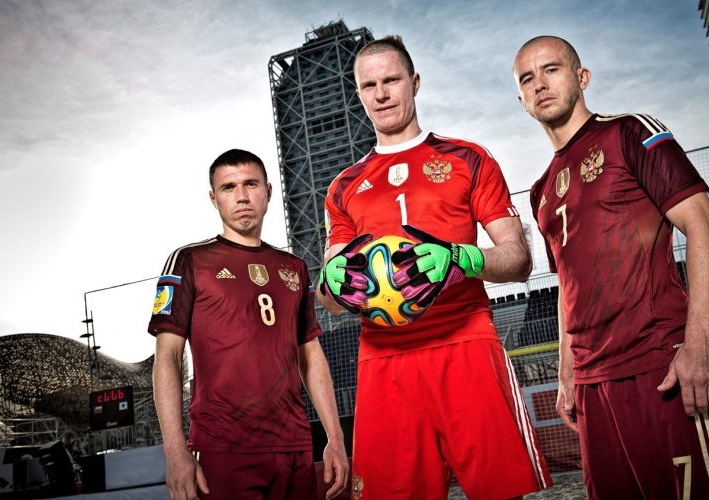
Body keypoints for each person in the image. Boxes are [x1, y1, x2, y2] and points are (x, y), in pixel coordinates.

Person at [513, 35, 709, 499]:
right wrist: (568, 375)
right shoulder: (542, 189)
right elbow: (568, 285)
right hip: (591, 388)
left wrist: (701, 341)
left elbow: (705, 226)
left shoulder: (630, 133)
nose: (539, 83)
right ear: (521, 100)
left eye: (552, 69)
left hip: (658, 367)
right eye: (527, 78)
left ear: (582, 78)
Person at [317, 35, 551, 499]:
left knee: (500, 494)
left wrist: (459, 258)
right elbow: (332, 302)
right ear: (358, 93)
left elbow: (519, 259)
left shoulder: (468, 158)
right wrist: (333, 281)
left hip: (464, 343)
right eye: (369, 85)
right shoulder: (343, 186)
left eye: (391, 80)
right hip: (385, 360)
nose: (381, 93)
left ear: (415, 82)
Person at [149, 149, 349, 499]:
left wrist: (335, 436)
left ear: (268, 191)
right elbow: (167, 358)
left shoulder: (295, 268)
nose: (241, 196)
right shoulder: (189, 260)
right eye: (229, 187)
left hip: (294, 445)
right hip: (224, 448)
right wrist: (175, 450)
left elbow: (310, 355)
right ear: (214, 198)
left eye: (251, 184)